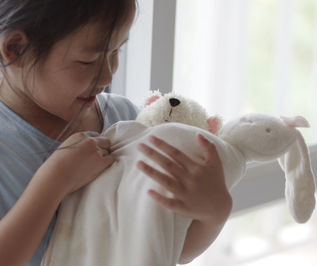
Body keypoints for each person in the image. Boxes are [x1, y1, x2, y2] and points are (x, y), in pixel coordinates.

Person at [0, 0, 232, 265]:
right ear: (16, 49)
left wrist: (214, 212)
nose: (108, 75)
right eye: (89, 60)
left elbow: (166, 245)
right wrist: (55, 180)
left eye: (116, 50)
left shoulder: (126, 119)